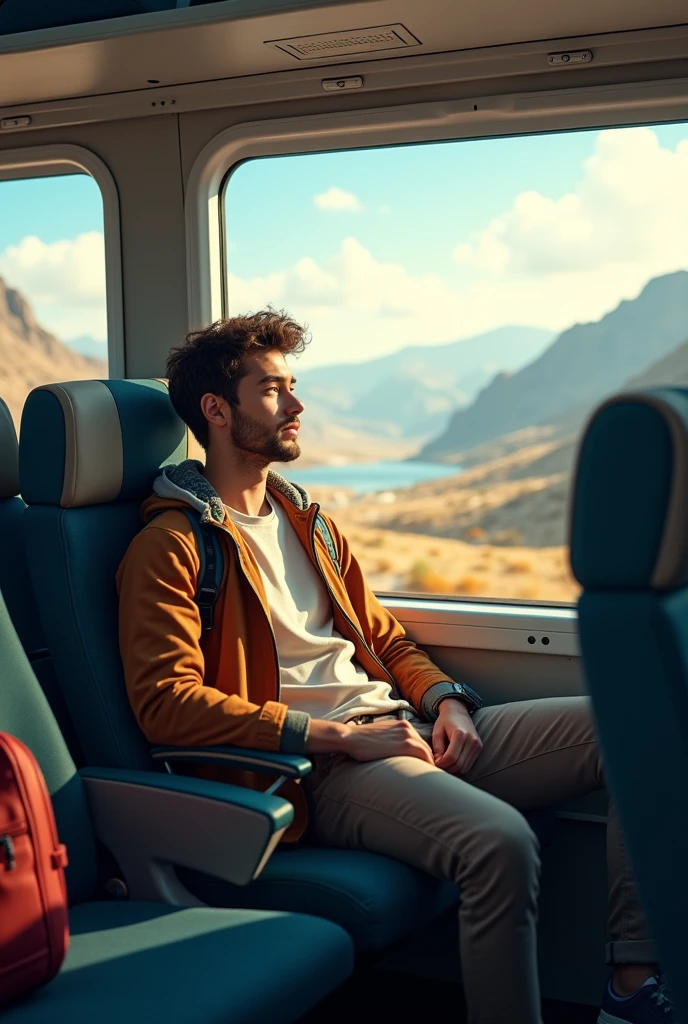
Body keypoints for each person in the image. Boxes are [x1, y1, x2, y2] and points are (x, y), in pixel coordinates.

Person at [116, 311, 671, 1024]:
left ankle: (631, 986)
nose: (297, 405)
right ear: (218, 412)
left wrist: (447, 702)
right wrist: (340, 739)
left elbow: (387, 641)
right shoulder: (169, 548)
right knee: (500, 844)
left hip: (401, 729)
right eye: (274, 390)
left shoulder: (307, 521)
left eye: (294, 386)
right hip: (322, 769)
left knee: (635, 730)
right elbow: (166, 702)